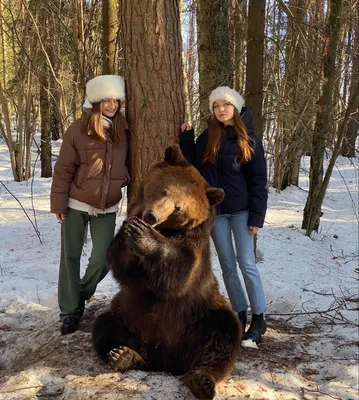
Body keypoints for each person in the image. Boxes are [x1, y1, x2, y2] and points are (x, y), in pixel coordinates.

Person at [179, 86, 268, 345]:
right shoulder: (207, 137)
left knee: (246, 263)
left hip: (242, 211)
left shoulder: (248, 139)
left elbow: (258, 180)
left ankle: (259, 317)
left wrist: (256, 217)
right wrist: (187, 138)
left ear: (235, 108)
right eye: (216, 105)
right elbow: (194, 164)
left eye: (226, 105)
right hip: (216, 212)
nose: (221, 109)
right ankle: (239, 314)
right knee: (228, 265)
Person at [50, 75, 130, 335]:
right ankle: (70, 312)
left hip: (106, 207)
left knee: (104, 257)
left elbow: (130, 163)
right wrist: (59, 202)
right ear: (95, 102)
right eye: (105, 100)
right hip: (76, 203)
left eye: (114, 100)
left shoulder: (123, 129)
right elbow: (63, 169)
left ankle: (79, 293)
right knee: (70, 257)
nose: (110, 105)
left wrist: (123, 179)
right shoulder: (78, 129)